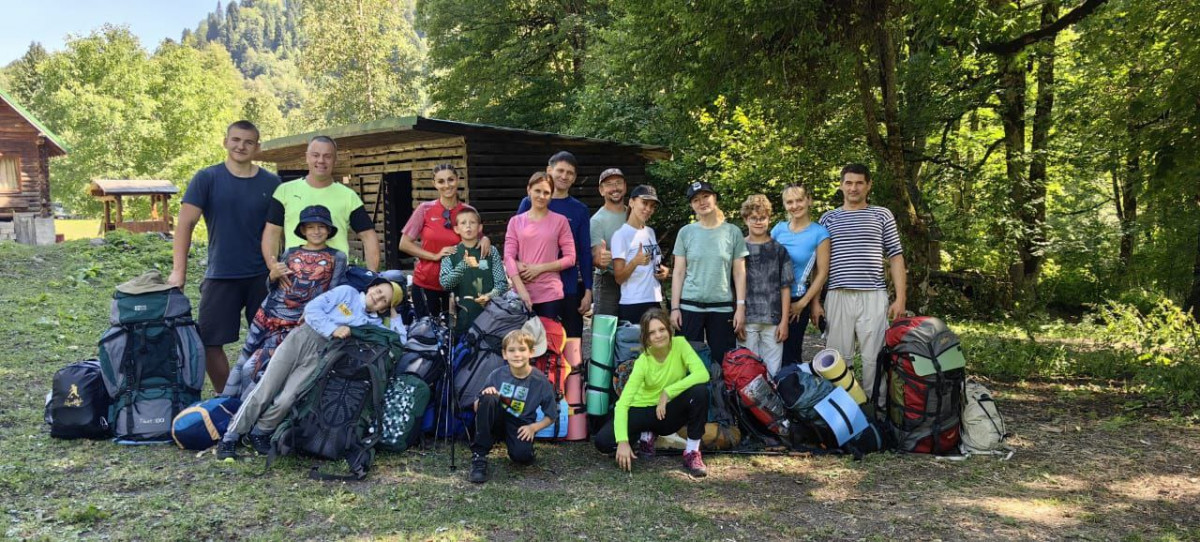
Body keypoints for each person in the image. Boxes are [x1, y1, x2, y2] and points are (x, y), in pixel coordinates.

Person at [217, 278, 407, 460]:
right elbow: (312, 308)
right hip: (302, 337)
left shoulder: (372, 323)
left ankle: (260, 432)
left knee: (289, 397)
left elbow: (399, 340)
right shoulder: (347, 293)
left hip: (322, 354)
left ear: (384, 308)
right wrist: (332, 329)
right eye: (379, 291)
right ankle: (231, 436)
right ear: (372, 287)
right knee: (266, 388)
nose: (377, 297)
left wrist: (394, 315)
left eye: (384, 301)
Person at [170, 120, 281, 394]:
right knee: (208, 341)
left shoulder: (272, 183)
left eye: (248, 142)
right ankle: (226, 397)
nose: (241, 146)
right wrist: (178, 271)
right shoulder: (207, 178)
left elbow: (283, 229)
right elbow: (185, 225)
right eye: (236, 140)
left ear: (257, 147)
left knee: (272, 341)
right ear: (225, 141)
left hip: (263, 276)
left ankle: (259, 396)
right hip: (221, 274)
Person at [223, 205, 347, 399]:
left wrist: (317, 315)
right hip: (269, 314)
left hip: (298, 322)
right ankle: (225, 401)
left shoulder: (337, 257)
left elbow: (335, 292)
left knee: (260, 367)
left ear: (329, 230)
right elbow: (273, 286)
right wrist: (272, 275)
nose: (316, 231)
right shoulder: (290, 252)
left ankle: (247, 408)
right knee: (244, 359)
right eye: (311, 227)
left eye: (321, 227)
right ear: (303, 230)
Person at [818, 164, 906, 401]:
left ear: (868, 185)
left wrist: (900, 298)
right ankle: (843, 411)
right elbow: (820, 265)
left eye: (859, 183)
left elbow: (896, 256)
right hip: (838, 294)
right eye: (848, 183)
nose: (853, 188)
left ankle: (876, 411)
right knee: (837, 360)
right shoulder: (828, 218)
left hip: (873, 295)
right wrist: (815, 302)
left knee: (874, 359)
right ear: (841, 185)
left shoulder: (882, 215)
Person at [593, 309, 711, 477]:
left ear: (669, 329)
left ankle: (692, 452)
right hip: (642, 411)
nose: (658, 335)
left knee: (700, 392)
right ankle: (645, 435)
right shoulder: (643, 361)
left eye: (662, 329)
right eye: (652, 332)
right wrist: (623, 441)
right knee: (603, 442)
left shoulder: (680, 344)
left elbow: (703, 374)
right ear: (646, 338)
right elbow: (622, 404)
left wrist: (668, 392)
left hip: (667, 411)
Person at [261, 136, 380, 279]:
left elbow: (368, 236)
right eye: (315, 155)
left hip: (336, 280)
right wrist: (274, 268)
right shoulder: (284, 191)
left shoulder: (348, 196)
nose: (321, 160)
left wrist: (372, 277)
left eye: (327, 156)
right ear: (307, 157)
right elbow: (272, 233)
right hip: (294, 278)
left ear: (335, 160)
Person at [669, 181, 748, 362]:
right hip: (689, 306)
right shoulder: (685, 232)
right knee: (687, 362)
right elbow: (679, 272)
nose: (702, 202)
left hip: (722, 307)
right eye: (696, 200)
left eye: (706, 196)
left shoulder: (733, 232)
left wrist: (740, 307)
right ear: (692, 205)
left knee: (723, 362)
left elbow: (739, 273)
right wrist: (674, 308)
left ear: (715, 198)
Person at [516, 151, 592, 337]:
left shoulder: (579, 210)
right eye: (560, 170)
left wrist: (588, 289)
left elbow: (584, 252)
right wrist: (518, 269)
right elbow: (515, 243)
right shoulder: (529, 203)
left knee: (571, 339)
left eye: (570, 173)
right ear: (549, 170)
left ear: (574, 178)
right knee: (537, 341)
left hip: (569, 285)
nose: (564, 176)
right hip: (534, 285)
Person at [468, 329, 560, 484]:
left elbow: (551, 415)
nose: (517, 354)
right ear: (504, 354)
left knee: (522, 457)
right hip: (497, 418)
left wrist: (534, 428)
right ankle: (479, 456)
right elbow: (477, 407)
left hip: (519, 424)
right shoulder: (496, 375)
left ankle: (518, 445)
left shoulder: (540, 381)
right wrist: (485, 396)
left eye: (522, 349)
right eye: (511, 350)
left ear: (531, 352)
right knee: (489, 397)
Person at [400, 163, 490, 319]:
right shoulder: (425, 209)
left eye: (450, 180)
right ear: (434, 184)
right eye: (441, 181)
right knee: (428, 332)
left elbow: (479, 242)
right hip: (426, 284)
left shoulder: (469, 211)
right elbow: (404, 244)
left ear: (458, 180)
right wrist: (434, 256)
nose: (447, 185)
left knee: (458, 332)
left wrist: (485, 239)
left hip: (459, 287)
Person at [771, 184, 830, 367]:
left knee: (789, 355)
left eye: (799, 200)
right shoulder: (778, 229)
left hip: (796, 301)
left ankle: (792, 383)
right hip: (771, 299)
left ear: (809, 200)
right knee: (769, 352)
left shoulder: (819, 233)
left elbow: (822, 273)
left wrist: (804, 303)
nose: (795, 206)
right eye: (789, 202)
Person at [505, 172, 576, 317]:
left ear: (551, 195)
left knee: (547, 332)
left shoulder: (560, 221)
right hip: (521, 292)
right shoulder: (515, 222)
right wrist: (521, 290)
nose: (541, 196)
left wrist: (539, 268)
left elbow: (570, 258)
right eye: (537, 190)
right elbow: (508, 257)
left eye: (546, 192)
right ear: (529, 190)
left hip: (550, 293)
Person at [738, 194, 793, 376]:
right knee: (748, 372)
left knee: (772, 372)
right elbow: (732, 285)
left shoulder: (779, 250)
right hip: (747, 318)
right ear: (746, 219)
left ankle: (771, 396)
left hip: (773, 319)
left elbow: (785, 287)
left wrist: (784, 321)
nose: (758, 222)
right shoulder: (738, 249)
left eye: (763, 218)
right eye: (753, 218)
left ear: (769, 219)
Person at [439, 208, 508, 334]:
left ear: (480, 227)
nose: (468, 226)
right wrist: (463, 265)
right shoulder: (451, 253)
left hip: (490, 316)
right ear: (456, 229)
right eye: (463, 223)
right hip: (461, 317)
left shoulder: (491, 251)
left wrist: (489, 296)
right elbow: (445, 283)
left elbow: (502, 284)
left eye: (472, 222)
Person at [610, 185, 669, 324]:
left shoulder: (650, 232)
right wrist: (635, 262)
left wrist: (664, 271)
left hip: (654, 299)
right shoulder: (620, 235)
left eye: (652, 206)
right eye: (644, 203)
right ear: (631, 202)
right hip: (633, 303)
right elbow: (619, 278)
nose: (648, 209)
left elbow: (652, 264)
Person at [589, 168, 628, 318]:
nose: (615, 188)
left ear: (625, 186)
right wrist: (600, 260)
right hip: (608, 282)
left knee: (634, 328)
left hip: (634, 280)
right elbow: (597, 257)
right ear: (601, 190)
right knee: (605, 328)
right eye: (609, 184)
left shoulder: (634, 214)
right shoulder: (597, 221)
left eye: (618, 183)